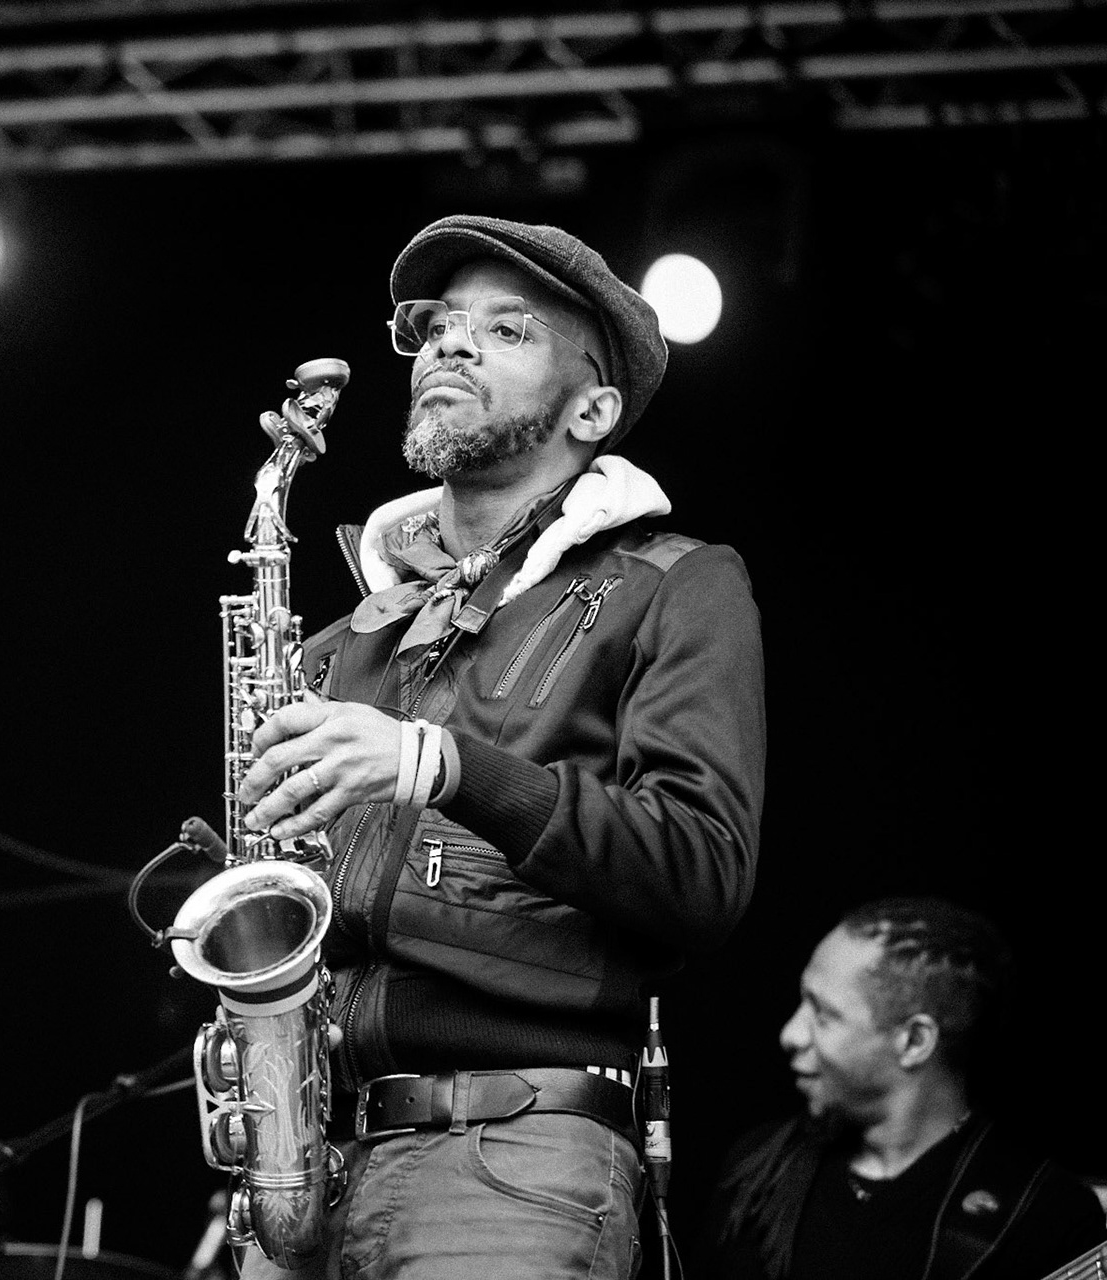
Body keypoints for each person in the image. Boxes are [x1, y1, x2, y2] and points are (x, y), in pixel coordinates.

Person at [229, 215, 767, 1278]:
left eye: (507, 329)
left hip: (513, 1158)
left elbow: (701, 868)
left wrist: (443, 764)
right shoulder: (345, 642)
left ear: (594, 408)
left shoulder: (676, 582)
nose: (451, 345)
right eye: (436, 327)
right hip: (319, 1161)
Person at [700, 897, 1106, 1280]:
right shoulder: (760, 1172)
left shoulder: (1043, 1216)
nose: (790, 1033)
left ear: (914, 1042)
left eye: (823, 1013)